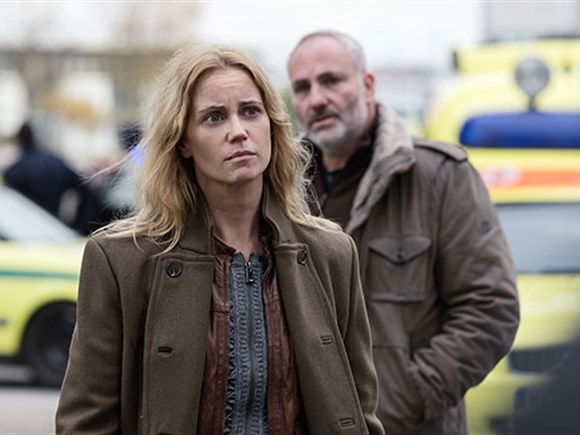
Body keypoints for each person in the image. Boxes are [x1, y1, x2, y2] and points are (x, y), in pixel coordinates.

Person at [55, 43, 384, 435]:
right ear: (183, 141)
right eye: (214, 117)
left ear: (272, 124)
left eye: (251, 111)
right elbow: (85, 422)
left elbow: (360, 410)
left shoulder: (330, 253)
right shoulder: (121, 260)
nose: (239, 132)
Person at [287, 30, 520, 435]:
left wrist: (401, 400)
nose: (317, 99)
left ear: (368, 84)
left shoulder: (442, 177)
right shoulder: (282, 191)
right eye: (302, 88)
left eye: (331, 80)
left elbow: (490, 309)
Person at [3, 121, 106, 235]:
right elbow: (87, 192)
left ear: (19, 139)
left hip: (22, 232)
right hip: (54, 227)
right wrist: (78, 224)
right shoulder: (56, 164)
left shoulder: (15, 171)